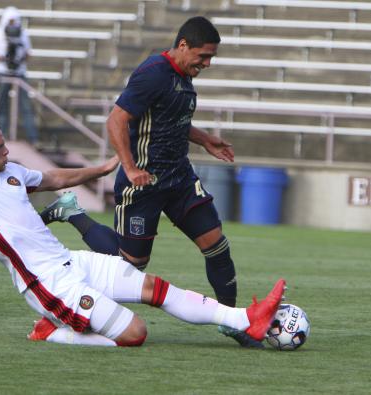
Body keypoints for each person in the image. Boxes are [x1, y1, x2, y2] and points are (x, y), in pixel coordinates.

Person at [0, 106, 285, 347]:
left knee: (155, 288)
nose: (6, 151)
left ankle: (246, 319)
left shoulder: (12, 173)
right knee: (135, 334)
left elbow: (55, 178)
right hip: (43, 282)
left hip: (69, 260)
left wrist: (106, 167)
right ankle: (53, 331)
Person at [40, 17, 258, 346]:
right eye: (203, 56)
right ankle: (73, 213)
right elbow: (117, 118)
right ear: (183, 45)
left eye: (211, 57)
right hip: (142, 183)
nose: (207, 64)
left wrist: (203, 139)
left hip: (179, 178)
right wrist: (129, 166)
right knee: (131, 267)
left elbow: (168, 120)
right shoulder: (153, 72)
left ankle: (233, 321)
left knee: (216, 246)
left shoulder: (184, 78)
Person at [0, 6, 39, 144]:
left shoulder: (23, 34)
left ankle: (33, 138)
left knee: (26, 106)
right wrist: (3, 58)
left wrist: (19, 58)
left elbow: (28, 53)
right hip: (3, 73)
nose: (12, 24)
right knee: (2, 107)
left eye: (15, 21)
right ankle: (1, 138)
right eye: (10, 21)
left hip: (19, 74)